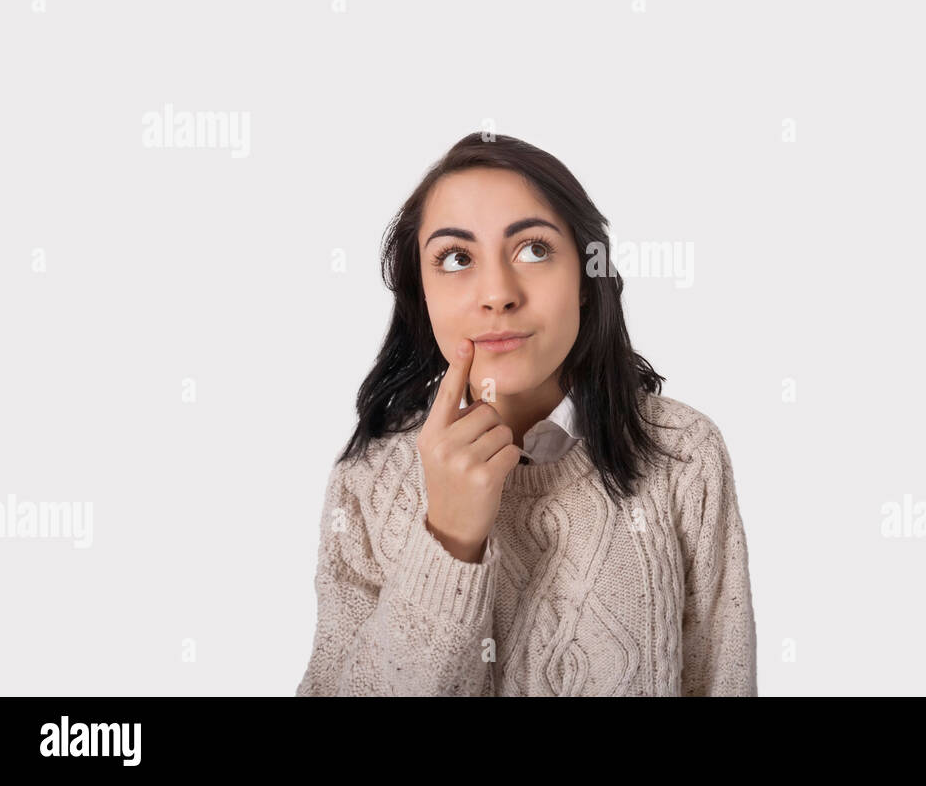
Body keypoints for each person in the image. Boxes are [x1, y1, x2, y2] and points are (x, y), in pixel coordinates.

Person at [295, 132, 756, 696]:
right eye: (456, 258)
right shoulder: (367, 484)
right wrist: (449, 537)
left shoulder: (683, 453)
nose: (497, 294)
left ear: (588, 279)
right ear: (422, 295)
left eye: (534, 249)